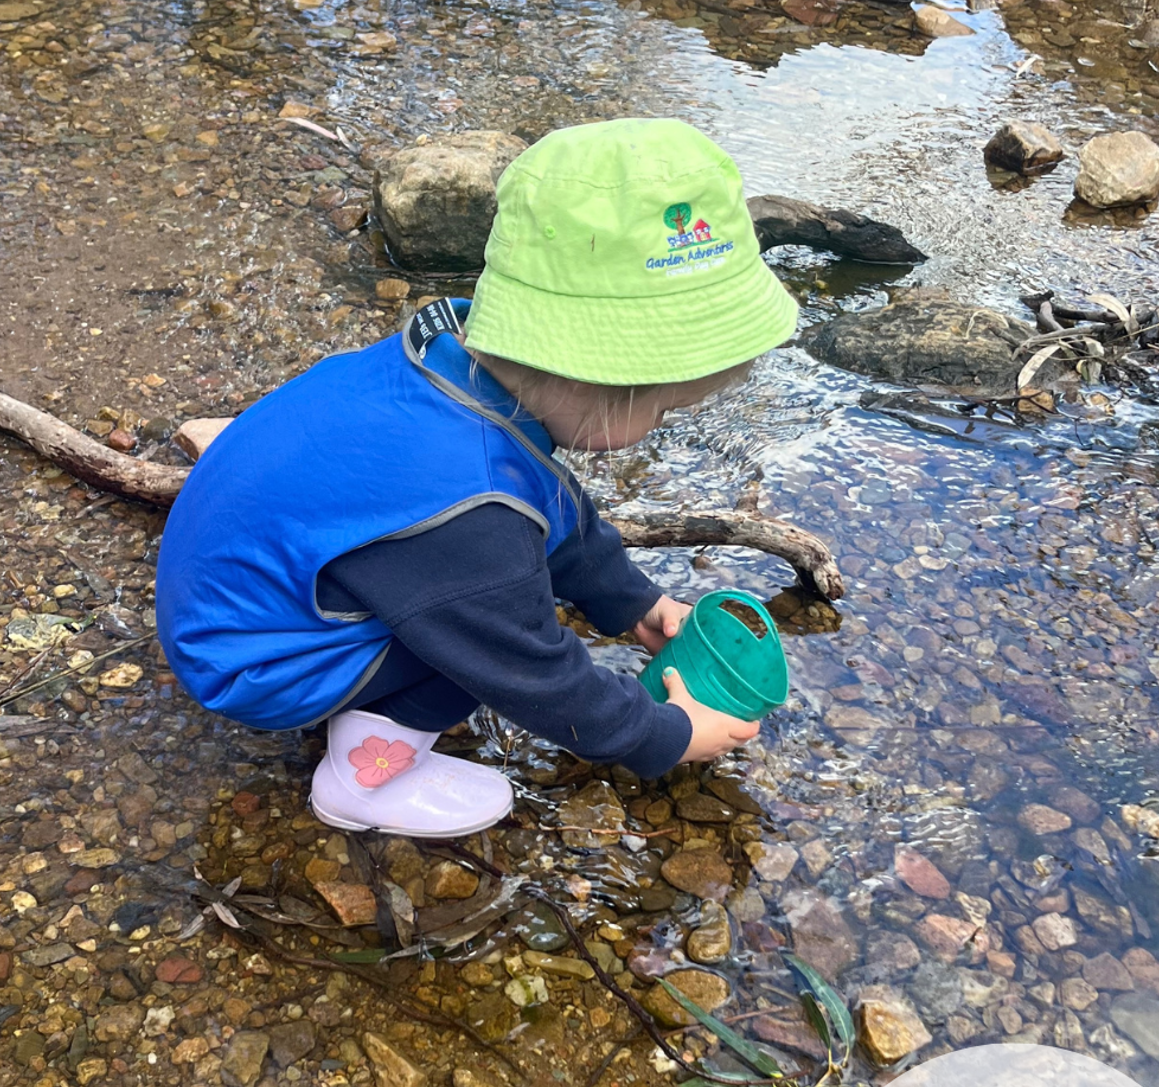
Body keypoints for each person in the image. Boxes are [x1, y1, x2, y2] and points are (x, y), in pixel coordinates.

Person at [156, 118, 798, 837]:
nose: (663, 426)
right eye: (663, 408)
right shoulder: (469, 511)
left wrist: (633, 603)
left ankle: (359, 691)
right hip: (250, 660)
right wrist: (666, 734)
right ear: (603, 375)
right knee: (476, 644)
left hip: (230, 593)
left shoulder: (448, 361)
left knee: (485, 590)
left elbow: (551, 507)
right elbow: (532, 674)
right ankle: (363, 781)